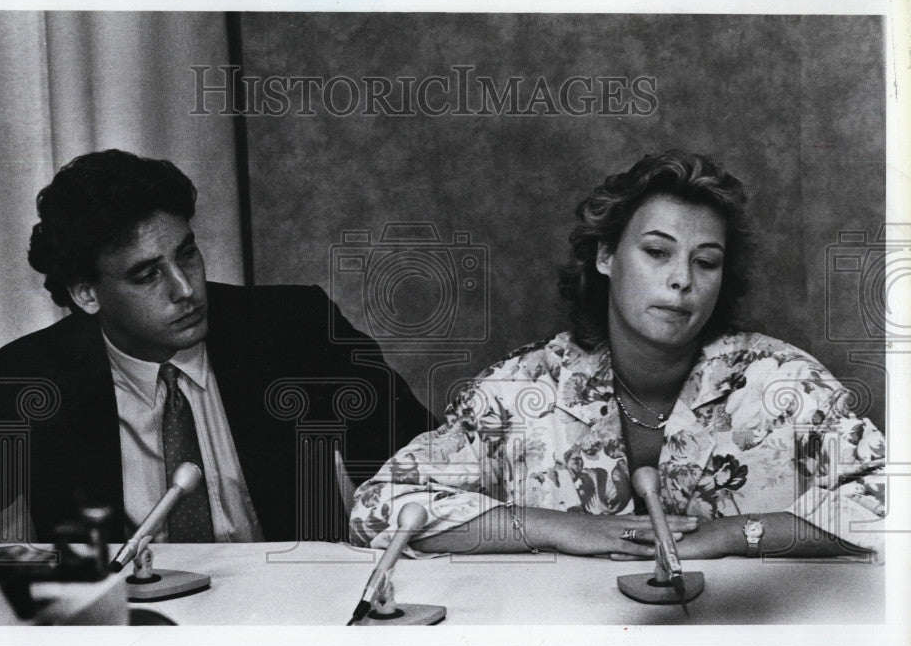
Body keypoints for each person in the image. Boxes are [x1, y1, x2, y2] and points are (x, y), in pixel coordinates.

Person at [349, 150, 886, 560]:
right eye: (657, 252)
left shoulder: (781, 382)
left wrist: (734, 535)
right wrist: (558, 527)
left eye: (706, 262)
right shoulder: (522, 386)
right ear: (605, 255)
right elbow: (378, 508)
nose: (681, 281)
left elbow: (896, 496)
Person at [0, 149, 435, 545]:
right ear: (86, 293)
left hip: (286, 621)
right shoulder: (33, 377)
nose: (185, 288)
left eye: (187, 254)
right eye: (146, 274)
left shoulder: (293, 330)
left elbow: (427, 465)